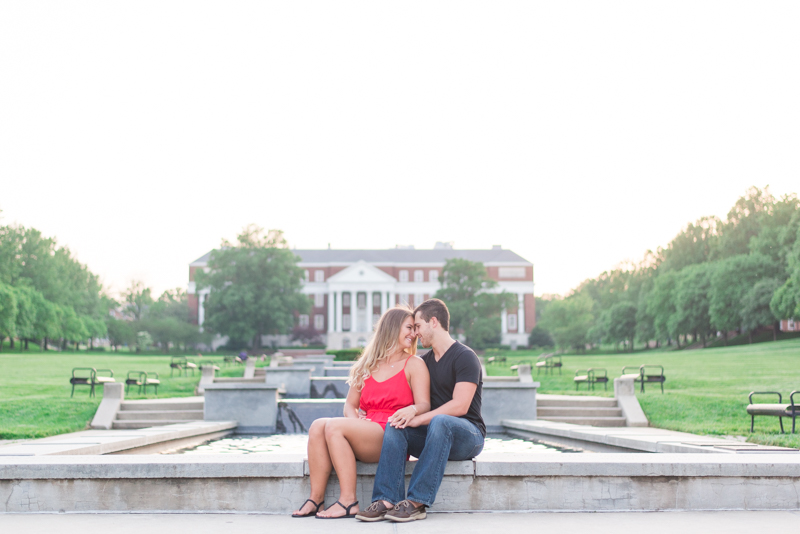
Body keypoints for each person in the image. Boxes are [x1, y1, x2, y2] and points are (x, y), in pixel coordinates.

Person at [291, 306, 430, 519]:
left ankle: (348, 501)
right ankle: (316, 499)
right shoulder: (367, 364)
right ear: (391, 329)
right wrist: (356, 424)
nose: (414, 334)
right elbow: (350, 405)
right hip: (367, 430)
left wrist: (411, 409)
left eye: (414, 328)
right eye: (409, 328)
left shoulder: (414, 364)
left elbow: (424, 405)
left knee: (334, 425)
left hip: (392, 433)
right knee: (318, 425)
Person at [356, 298, 485, 523]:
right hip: (436, 433)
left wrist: (419, 418)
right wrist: (406, 415)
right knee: (396, 425)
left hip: (468, 435)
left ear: (433, 322)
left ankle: (417, 502)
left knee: (441, 421)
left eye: (417, 326)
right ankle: (386, 499)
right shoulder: (425, 362)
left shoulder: (465, 356)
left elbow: (460, 405)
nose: (415, 333)